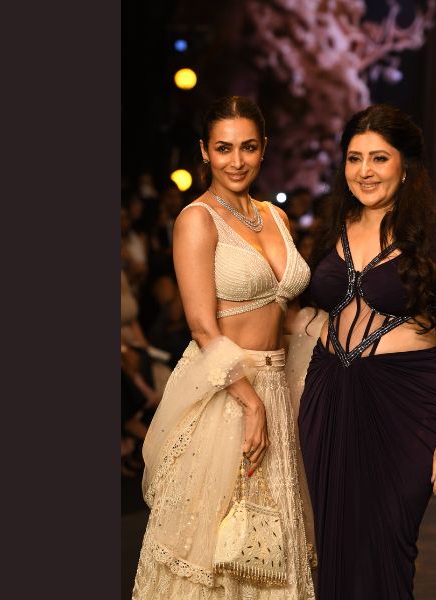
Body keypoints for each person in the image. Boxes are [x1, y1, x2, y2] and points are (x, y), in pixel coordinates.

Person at [132, 96, 316, 600]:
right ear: (204, 151)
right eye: (223, 148)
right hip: (227, 393)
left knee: (269, 549)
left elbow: (289, 315)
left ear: (263, 149)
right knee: (213, 551)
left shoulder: (275, 216)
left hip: (276, 387)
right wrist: (250, 402)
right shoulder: (196, 219)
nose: (236, 161)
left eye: (248, 147)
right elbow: (201, 325)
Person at [298, 104, 436, 599]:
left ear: (405, 165)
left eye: (379, 158)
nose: (365, 171)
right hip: (328, 397)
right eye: (354, 158)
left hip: (403, 406)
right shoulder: (331, 227)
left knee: (388, 546)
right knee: (333, 546)